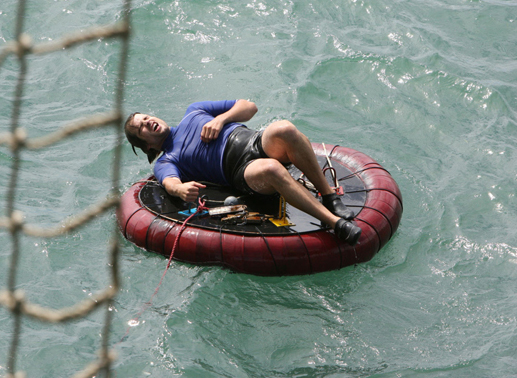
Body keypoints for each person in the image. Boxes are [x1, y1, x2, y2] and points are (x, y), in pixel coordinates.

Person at [124, 99, 361, 245]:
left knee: (285, 128)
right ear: (147, 146)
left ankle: (329, 196)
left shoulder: (194, 111)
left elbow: (249, 107)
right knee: (271, 168)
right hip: (241, 169)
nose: (148, 122)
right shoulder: (166, 159)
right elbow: (170, 183)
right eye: (142, 127)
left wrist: (221, 119)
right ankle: (334, 222)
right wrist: (180, 188)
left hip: (256, 142)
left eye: (146, 117)